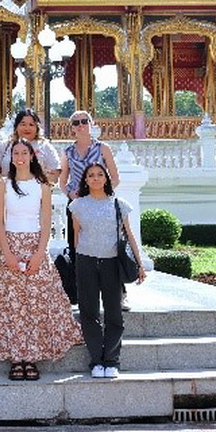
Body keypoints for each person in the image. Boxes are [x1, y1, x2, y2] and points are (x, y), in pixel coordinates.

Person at [0, 138, 82, 381]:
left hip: (36, 245)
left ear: (32, 156)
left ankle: (32, 356)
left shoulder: (42, 185)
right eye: (15, 153)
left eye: (24, 153)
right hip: (10, 244)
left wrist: (38, 254)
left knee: (36, 303)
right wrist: (7, 253)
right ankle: (17, 358)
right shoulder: (3, 184)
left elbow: (46, 222)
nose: (20, 157)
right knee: (13, 305)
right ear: (11, 157)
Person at [70, 162, 146, 379]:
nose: (95, 178)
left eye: (100, 174)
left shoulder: (119, 205)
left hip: (112, 263)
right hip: (86, 261)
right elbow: (76, 236)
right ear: (85, 180)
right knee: (89, 312)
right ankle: (96, 361)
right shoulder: (77, 205)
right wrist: (78, 262)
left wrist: (140, 263)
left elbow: (129, 235)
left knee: (114, 313)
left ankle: (112, 360)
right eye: (91, 175)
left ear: (106, 179)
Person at [59, 109, 122, 306]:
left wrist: (101, 192)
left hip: (101, 202)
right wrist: (72, 195)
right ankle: (81, 292)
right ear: (72, 128)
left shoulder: (103, 149)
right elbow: (62, 181)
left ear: (91, 124)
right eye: (76, 123)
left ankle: (119, 293)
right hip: (78, 205)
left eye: (84, 121)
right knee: (77, 246)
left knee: (110, 246)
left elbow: (115, 178)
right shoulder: (68, 152)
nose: (81, 126)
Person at [0, 107, 62, 184]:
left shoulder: (45, 147)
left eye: (31, 125)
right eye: (23, 124)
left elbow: (55, 173)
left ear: (37, 128)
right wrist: (9, 185)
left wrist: (37, 185)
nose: (27, 128)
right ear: (16, 127)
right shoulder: (4, 146)